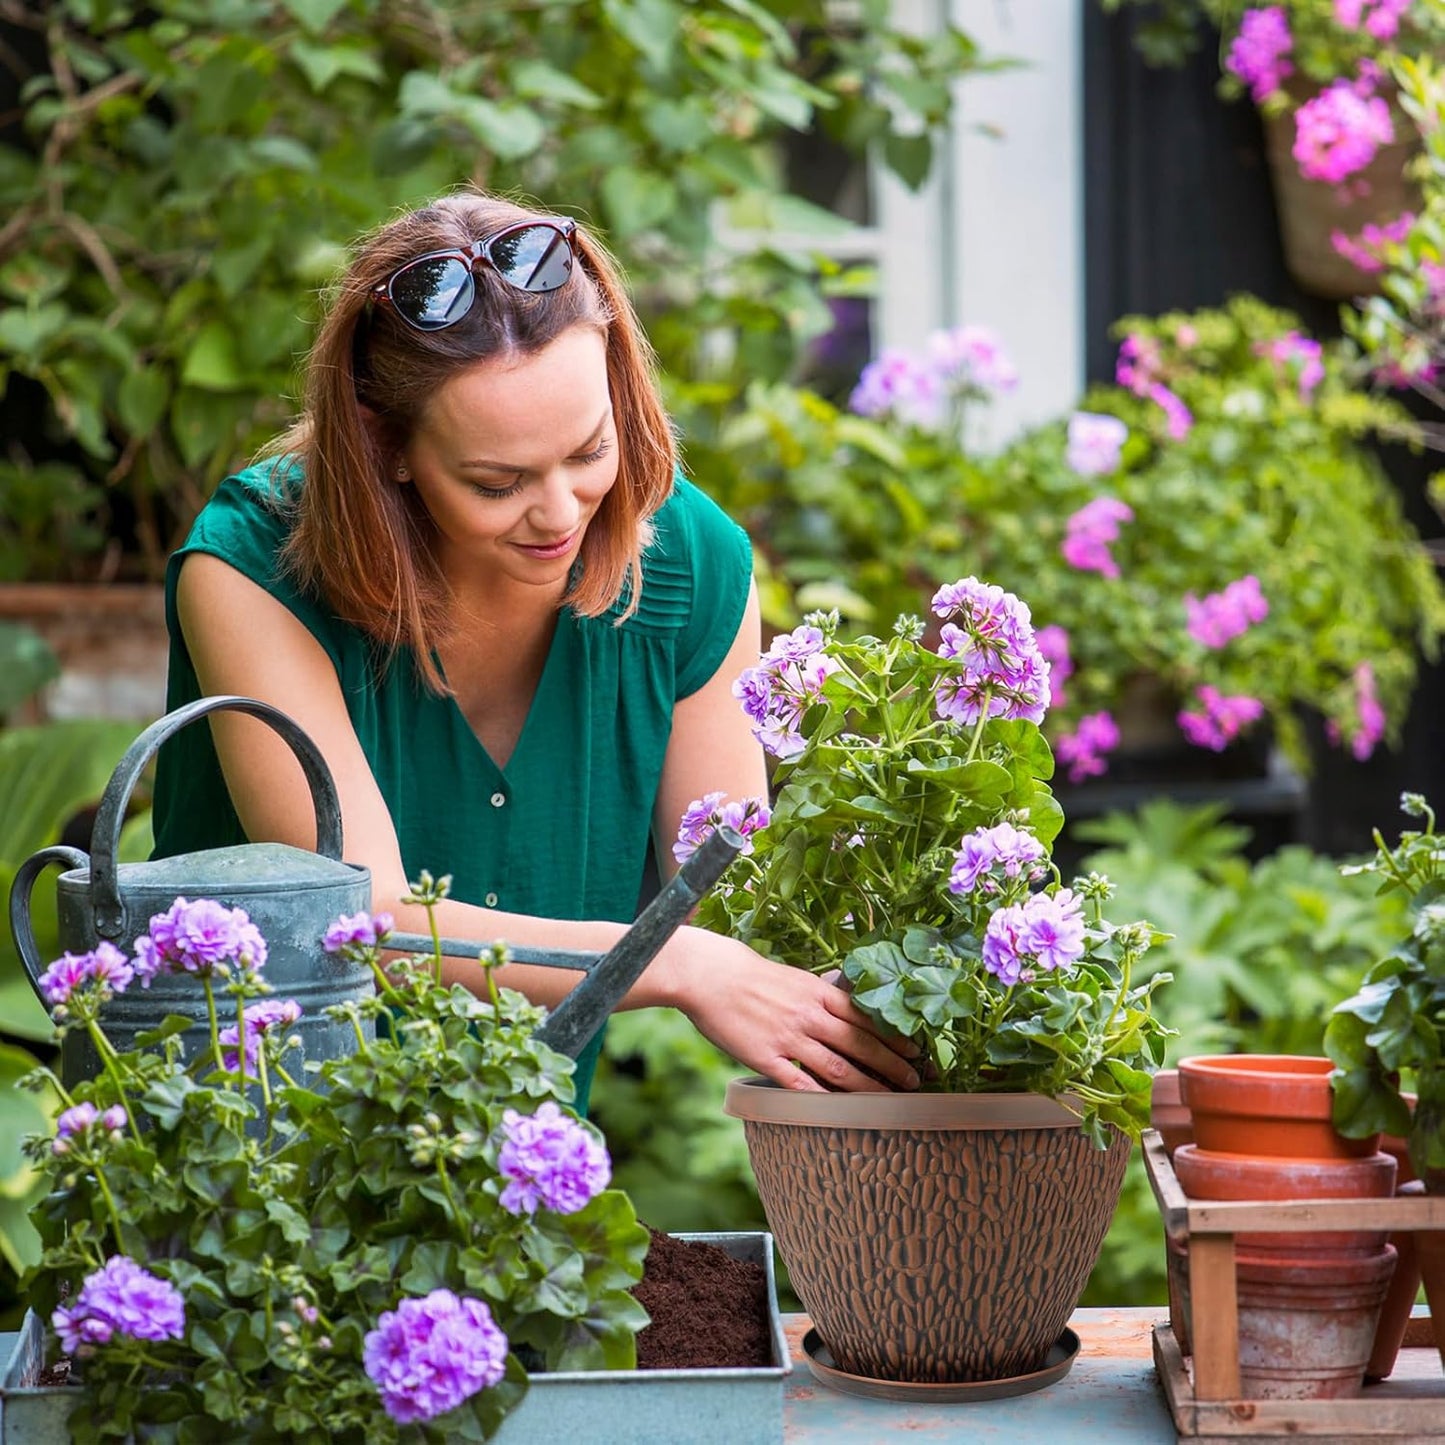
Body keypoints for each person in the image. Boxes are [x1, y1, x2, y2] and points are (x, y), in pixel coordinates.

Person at [151, 189, 920, 1114]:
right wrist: (674, 962)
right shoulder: (253, 570)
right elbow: (368, 926)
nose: (560, 511)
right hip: (253, 1162)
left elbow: (739, 899)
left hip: (521, 1182)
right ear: (385, 446)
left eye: (590, 450)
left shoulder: (694, 564)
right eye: (497, 481)